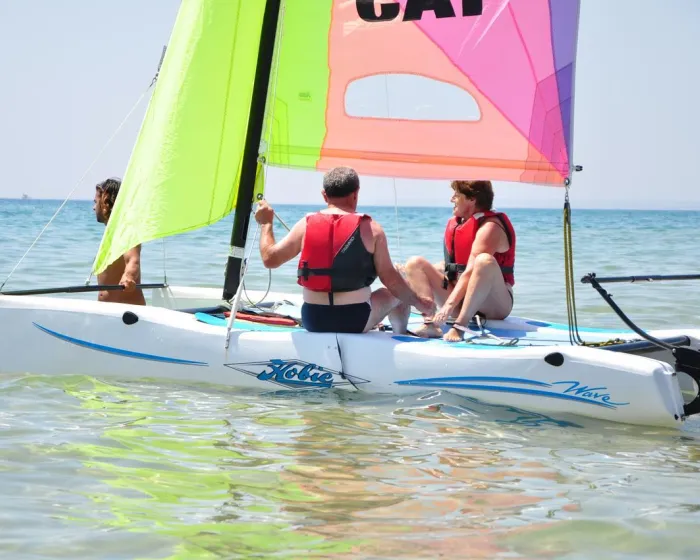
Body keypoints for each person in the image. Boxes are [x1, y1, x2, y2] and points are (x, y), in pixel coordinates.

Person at [253, 166, 433, 334]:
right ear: (356, 193)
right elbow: (391, 281)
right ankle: (400, 335)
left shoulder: (305, 224)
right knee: (399, 288)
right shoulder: (372, 229)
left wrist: (266, 223)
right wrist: (420, 303)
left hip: (313, 319)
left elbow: (270, 259)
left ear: (324, 195)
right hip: (355, 320)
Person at [403, 180, 515, 342]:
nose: (451, 199)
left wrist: (447, 306)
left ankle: (460, 326)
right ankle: (430, 323)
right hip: (461, 300)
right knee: (415, 263)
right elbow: (456, 268)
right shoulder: (458, 223)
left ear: (472, 199)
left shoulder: (490, 227)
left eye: (456, 195)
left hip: (494, 305)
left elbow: (469, 272)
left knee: (484, 261)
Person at [92, 177, 145, 306]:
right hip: (111, 312)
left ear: (105, 200)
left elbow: (133, 260)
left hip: (127, 313)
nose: (93, 207)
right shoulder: (111, 232)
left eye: (96, 202)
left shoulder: (125, 229)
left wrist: (129, 276)